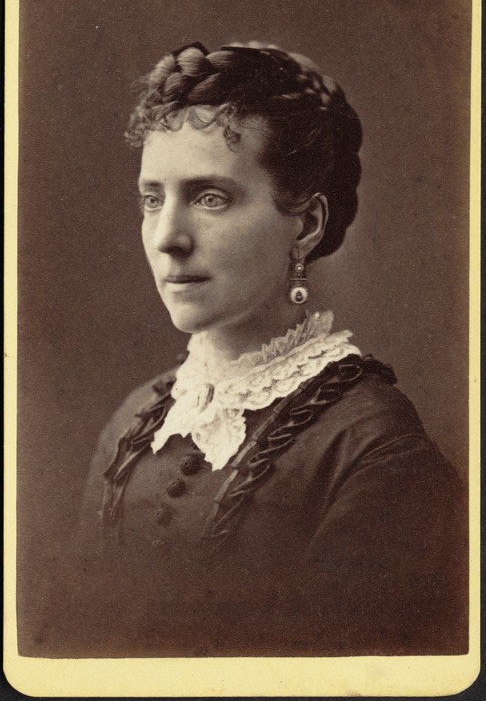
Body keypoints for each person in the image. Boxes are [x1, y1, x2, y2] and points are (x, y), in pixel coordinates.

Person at [72, 41, 467, 658]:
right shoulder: (134, 422)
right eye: (153, 198)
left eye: (210, 198)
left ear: (305, 225)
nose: (168, 237)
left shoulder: (372, 446)